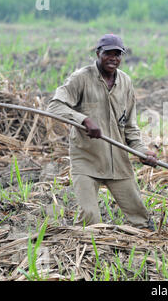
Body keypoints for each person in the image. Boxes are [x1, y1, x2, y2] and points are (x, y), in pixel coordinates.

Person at [47, 34, 157, 230]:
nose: (113, 58)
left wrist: (143, 151)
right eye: (108, 53)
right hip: (87, 159)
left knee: (141, 219)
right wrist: (84, 120)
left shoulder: (125, 83)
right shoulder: (80, 78)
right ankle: (85, 254)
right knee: (89, 219)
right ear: (98, 53)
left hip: (118, 161)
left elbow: (130, 126)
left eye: (117, 54)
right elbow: (54, 106)